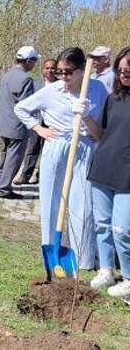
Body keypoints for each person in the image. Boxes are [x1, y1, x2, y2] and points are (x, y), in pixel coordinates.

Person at [14, 47, 108, 270]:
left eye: (68, 72)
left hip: (84, 148)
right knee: (50, 200)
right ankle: (51, 249)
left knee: (83, 203)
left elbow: (101, 132)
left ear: (82, 70)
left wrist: (86, 117)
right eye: (59, 72)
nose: (63, 77)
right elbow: (22, 109)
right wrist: (39, 129)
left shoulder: (97, 89)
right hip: (56, 148)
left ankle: (82, 257)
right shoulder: (52, 91)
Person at [86, 46, 130, 304]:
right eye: (120, 71)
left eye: (129, 72)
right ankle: (106, 271)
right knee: (101, 225)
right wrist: (85, 116)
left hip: (127, 174)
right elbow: (100, 134)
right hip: (103, 168)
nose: (123, 75)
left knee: (122, 229)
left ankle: (129, 279)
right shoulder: (114, 99)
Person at [0, 46, 38, 199]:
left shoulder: (6, 75)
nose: (35, 64)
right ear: (28, 61)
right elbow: (27, 105)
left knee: (6, 154)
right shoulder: (25, 79)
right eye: (35, 60)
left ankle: (0, 181)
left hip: (5, 123)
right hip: (17, 126)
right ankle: (4, 189)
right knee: (14, 158)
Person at [14, 58, 57, 185]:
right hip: (37, 120)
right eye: (47, 68)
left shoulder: (60, 85)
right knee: (32, 148)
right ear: (43, 69)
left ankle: (41, 175)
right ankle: (25, 175)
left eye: (52, 68)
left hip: (52, 123)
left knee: (48, 151)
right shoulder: (35, 84)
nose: (50, 70)